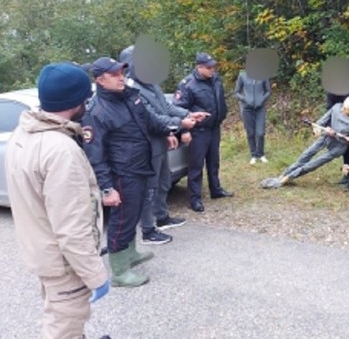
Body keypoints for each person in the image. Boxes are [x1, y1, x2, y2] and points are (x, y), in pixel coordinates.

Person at [5, 63, 111, 338]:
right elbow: (72, 228)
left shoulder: (24, 133)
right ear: (77, 101)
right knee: (64, 325)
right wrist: (95, 275)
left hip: (42, 250)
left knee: (57, 313)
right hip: (64, 263)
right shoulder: (61, 151)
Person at [82, 56, 174, 287]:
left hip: (140, 167)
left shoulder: (129, 98)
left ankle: (131, 253)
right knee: (121, 220)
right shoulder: (97, 111)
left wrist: (171, 130)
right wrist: (107, 188)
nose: (121, 77)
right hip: (121, 175)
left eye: (122, 73)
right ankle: (120, 271)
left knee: (133, 215)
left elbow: (150, 121)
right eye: (114, 74)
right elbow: (96, 155)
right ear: (100, 80)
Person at [119, 46, 207, 245]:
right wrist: (178, 125)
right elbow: (150, 118)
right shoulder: (132, 89)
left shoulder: (150, 83)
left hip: (159, 142)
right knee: (149, 187)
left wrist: (187, 114)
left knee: (164, 180)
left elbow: (166, 107)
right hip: (145, 146)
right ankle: (148, 230)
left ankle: (162, 216)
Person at [261, 95, 349, 189]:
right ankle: (283, 175)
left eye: (346, 109)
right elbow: (321, 122)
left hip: (337, 148)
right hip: (325, 137)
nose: (343, 109)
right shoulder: (337, 108)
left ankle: (287, 179)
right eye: (344, 107)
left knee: (312, 164)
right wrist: (320, 128)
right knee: (305, 156)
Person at [174, 52, 233, 213]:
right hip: (198, 130)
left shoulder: (215, 79)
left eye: (213, 66)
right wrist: (184, 130)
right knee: (196, 166)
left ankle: (216, 189)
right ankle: (194, 198)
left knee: (214, 161)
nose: (212, 69)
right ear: (199, 67)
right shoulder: (188, 84)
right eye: (208, 67)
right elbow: (179, 109)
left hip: (214, 127)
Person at [234, 69, 271, 164]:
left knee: (260, 133)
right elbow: (237, 92)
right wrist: (244, 99)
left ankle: (261, 154)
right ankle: (253, 154)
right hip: (247, 108)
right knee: (250, 133)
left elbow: (268, 91)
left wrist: (262, 99)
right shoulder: (242, 75)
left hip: (260, 108)